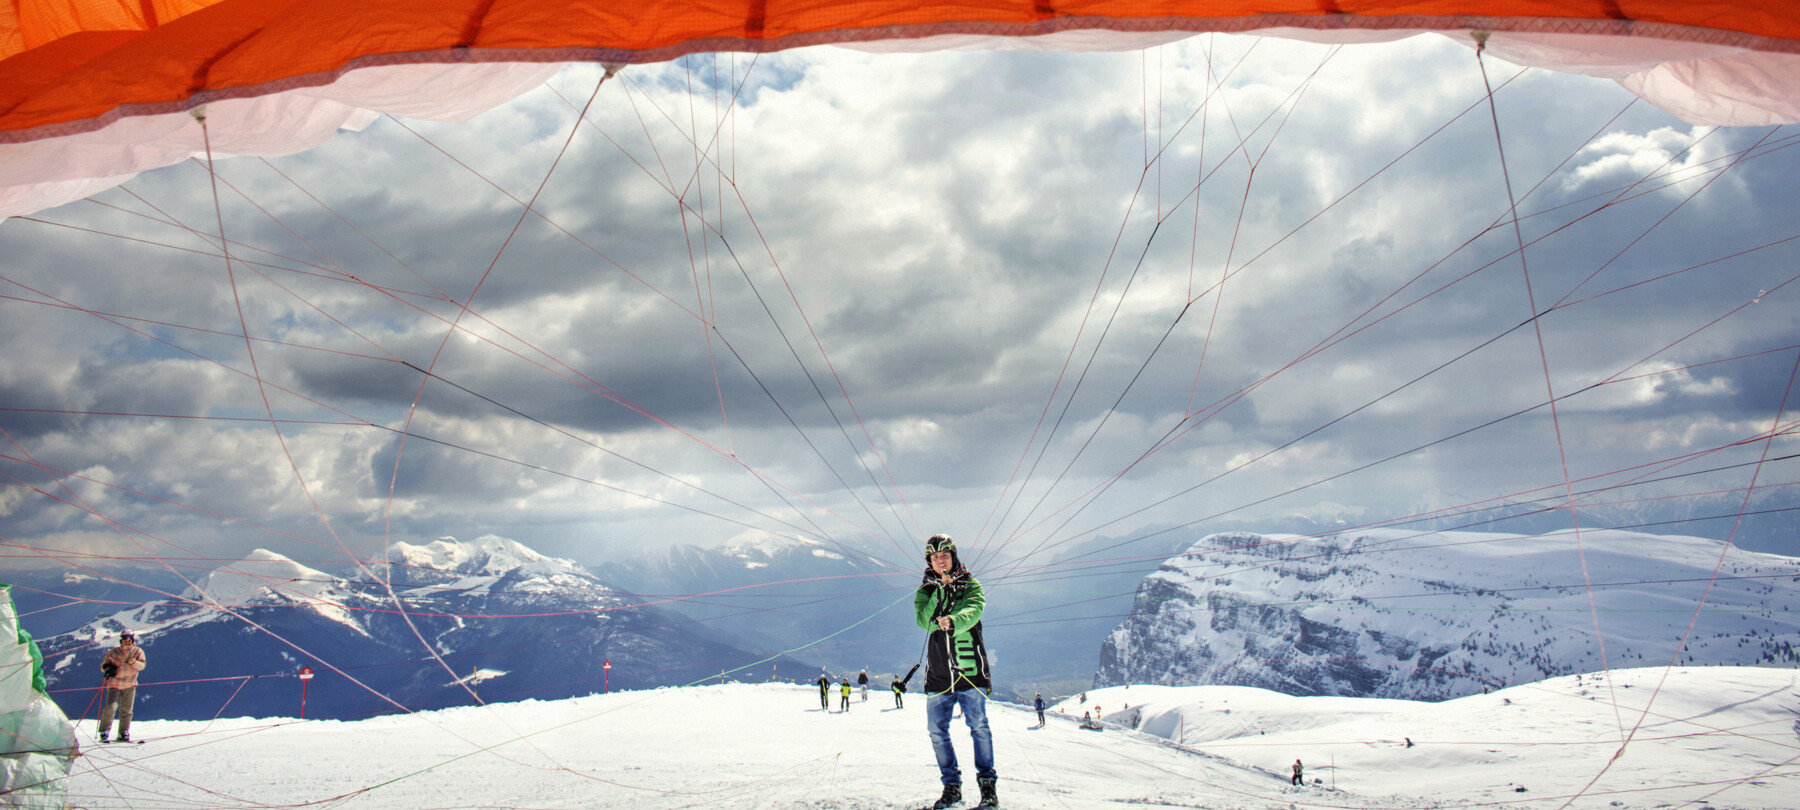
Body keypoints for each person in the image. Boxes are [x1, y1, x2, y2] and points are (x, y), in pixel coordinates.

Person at [915, 534, 997, 809]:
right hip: (938, 674)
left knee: (979, 727)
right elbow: (924, 621)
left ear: (954, 557)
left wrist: (953, 621)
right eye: (935, 557)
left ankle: (988, 787)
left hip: (970, 670)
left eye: (945, 556)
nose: (940, 561)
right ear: (929, 561)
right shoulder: (925, 591)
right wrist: (939, 590)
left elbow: (975, 609)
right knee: (936, 730)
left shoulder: (971, 584)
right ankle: (951, 786)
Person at [97, 631, 147, 743]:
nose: (126, 640)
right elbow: (103, 665)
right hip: (114, 684)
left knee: (127, 710)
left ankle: (123, 732)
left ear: (132, 639)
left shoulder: (137, 651)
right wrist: (107, 668)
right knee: (110, 707)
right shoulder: (113, 653)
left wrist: (133, 662)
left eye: (128, 638)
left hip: (130, 684)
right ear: (121, 640)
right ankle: (104, 730)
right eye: (124, 638)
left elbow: (142, 666)